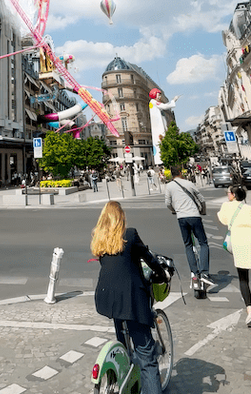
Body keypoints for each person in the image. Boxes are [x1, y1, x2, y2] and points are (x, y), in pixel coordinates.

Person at [92, 201, 168, 394]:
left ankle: (127, 372)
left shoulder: (100, 238)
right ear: (121, 218)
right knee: (146, 354)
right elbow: (148, 257)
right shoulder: (130, 235)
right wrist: (161, 272)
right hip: (131, 298)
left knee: (123, 342)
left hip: (107, 298)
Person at [165, 165, 215, 288]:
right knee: (203, 243)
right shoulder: (189, 183)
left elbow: (167, 203)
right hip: (194, 216)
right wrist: (203, 210)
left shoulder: (169, 186)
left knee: (188, 245)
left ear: (172, 174)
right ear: (180, 173)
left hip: (181, 218)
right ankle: (204, 272)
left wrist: (174, 210)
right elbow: (201, 198)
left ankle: (194, 272)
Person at [218, 185, 251, 326]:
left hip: (238, 243)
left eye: (228, 193)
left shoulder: (227, 206)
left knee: (243, 278)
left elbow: (222, 219)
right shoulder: (249, 208)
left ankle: (250, 310)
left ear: (233, 195)